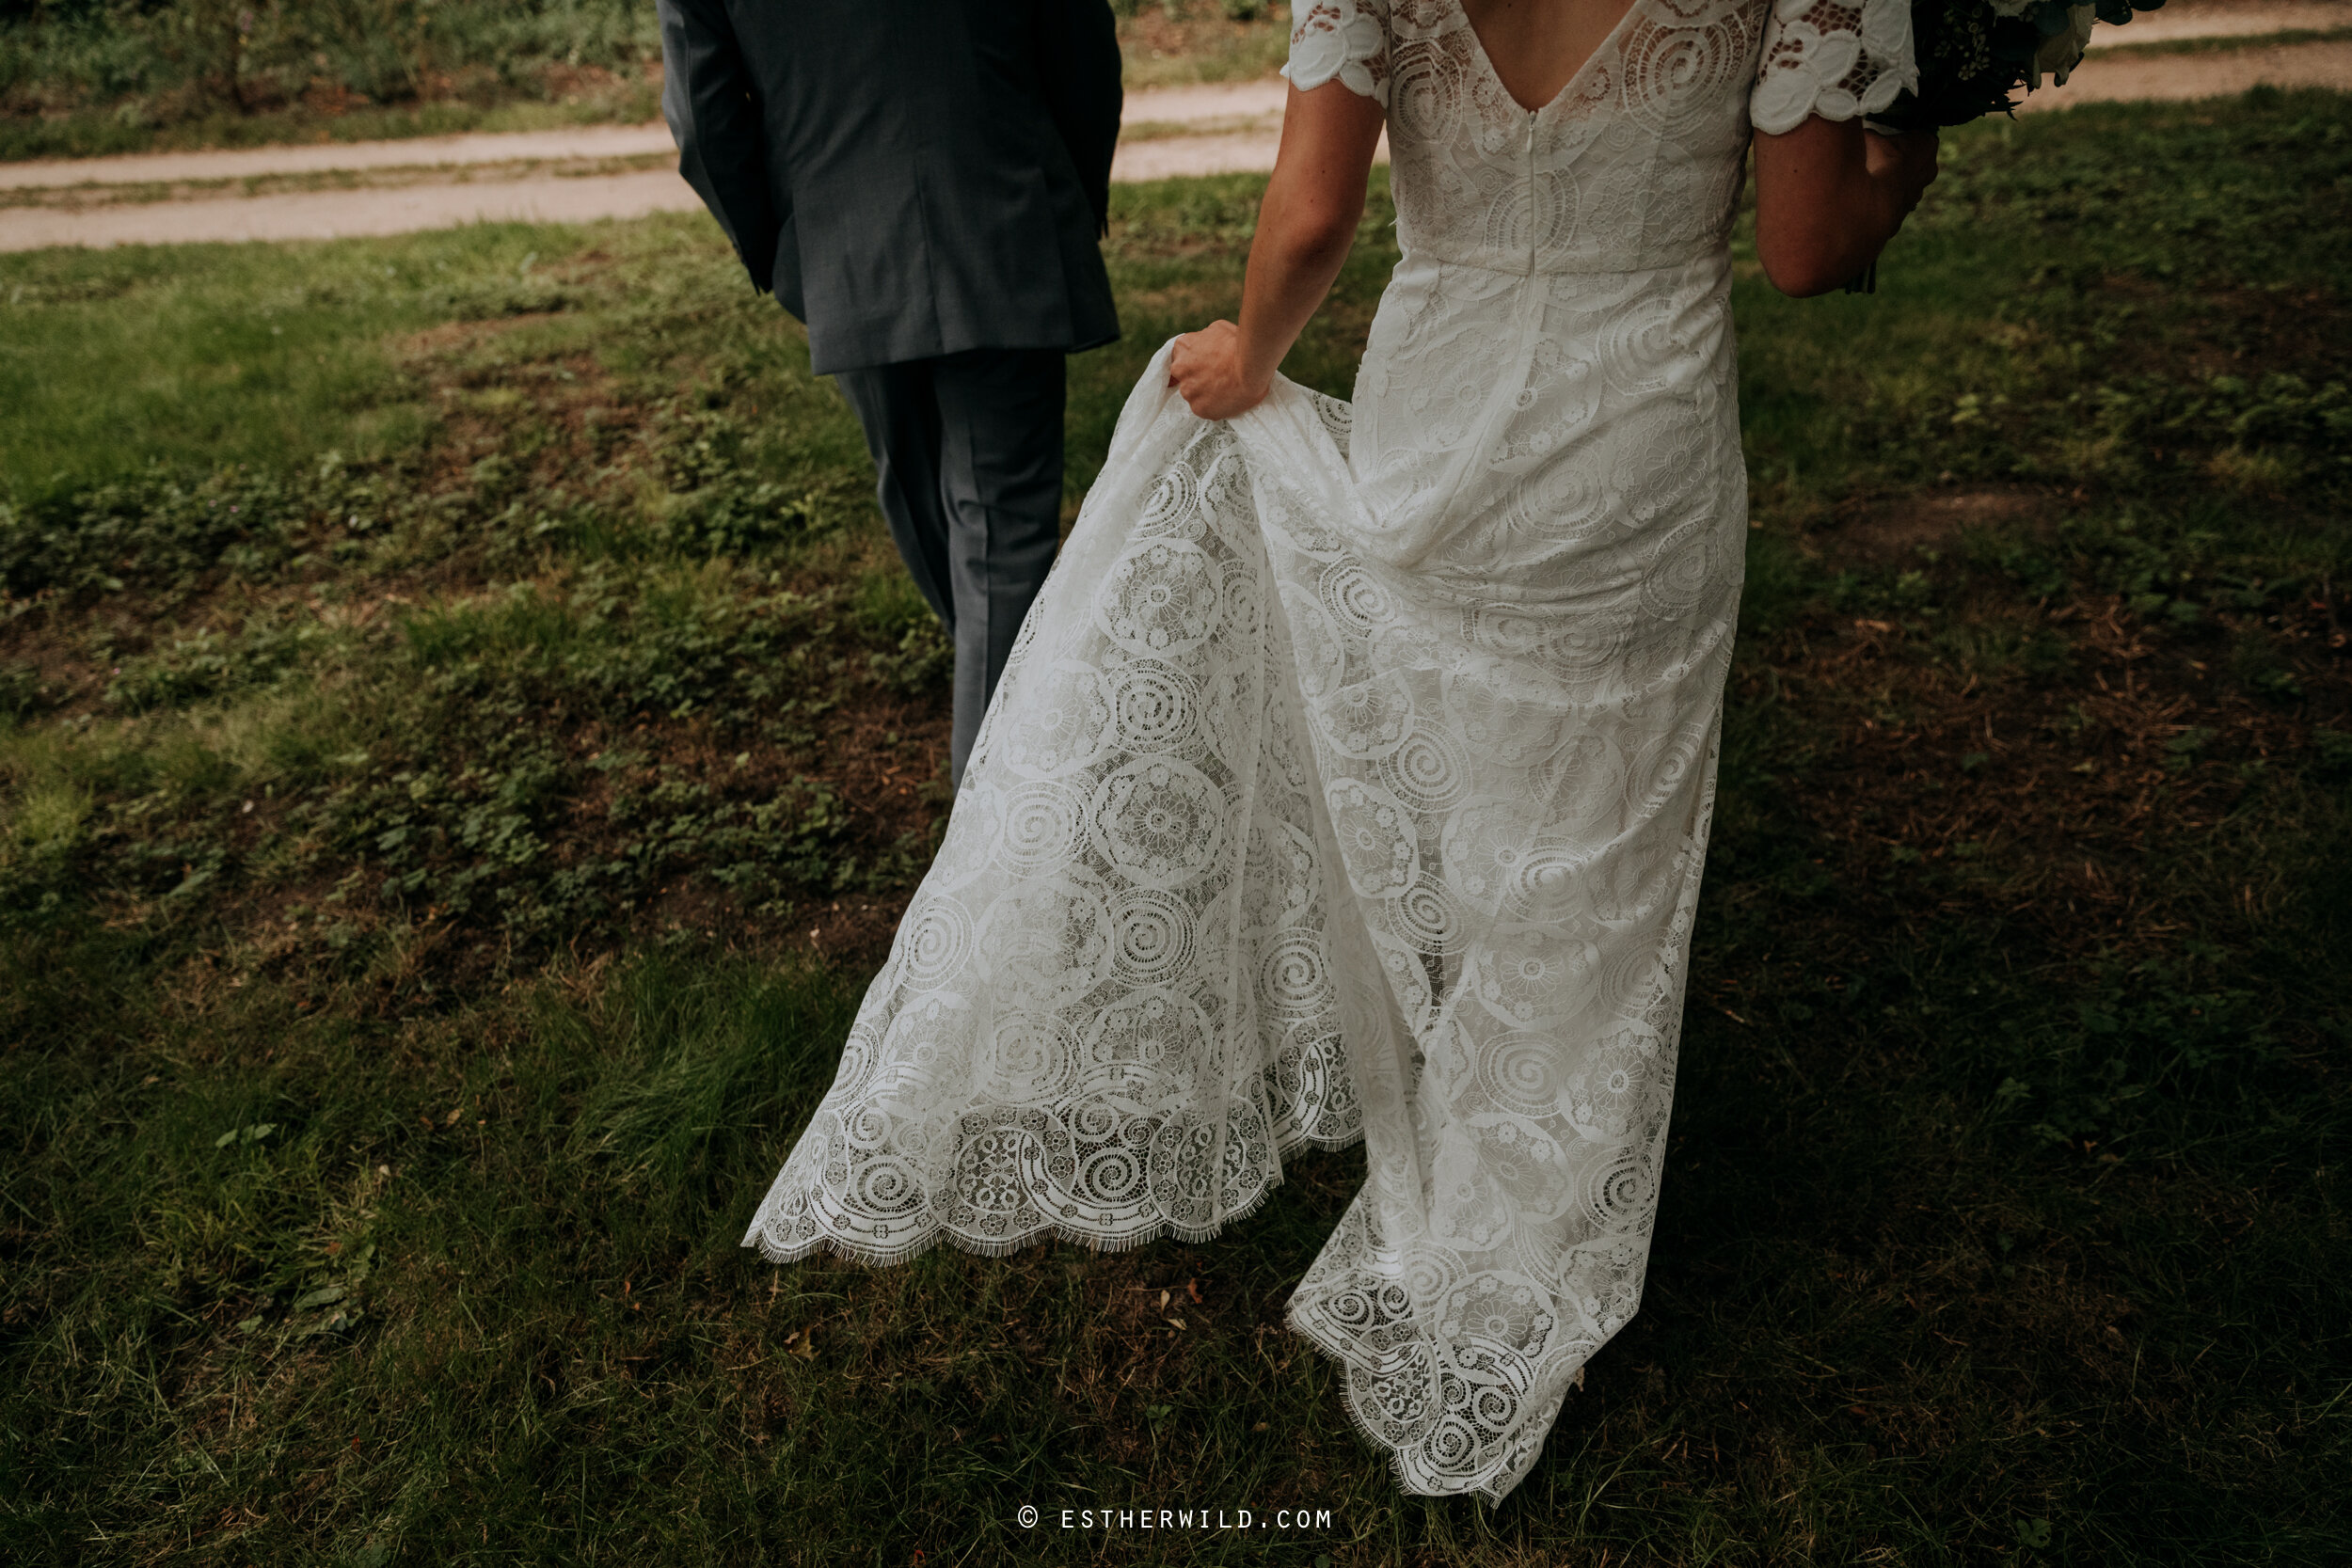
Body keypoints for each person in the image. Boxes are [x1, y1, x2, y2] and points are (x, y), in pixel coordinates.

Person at [742, 0, 1939, 1502]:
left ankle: (1466, 1150)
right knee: (1599, 841)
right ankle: (1519, 1208)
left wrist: (1257, 351)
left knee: (1463, 796)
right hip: (1634, 428)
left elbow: (1313, 211)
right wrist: (1919, 138)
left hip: (1436, 417)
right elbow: (1809, 246)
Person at [655, 0, 1125, 786]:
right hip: (1001, 216)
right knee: (996, 530)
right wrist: (1068, 189)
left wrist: (785, 243)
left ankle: (1001, 794)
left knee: (929, 498)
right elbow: (1081, 49)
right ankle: (1007, 795)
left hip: (841, 240)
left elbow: (702, 116)